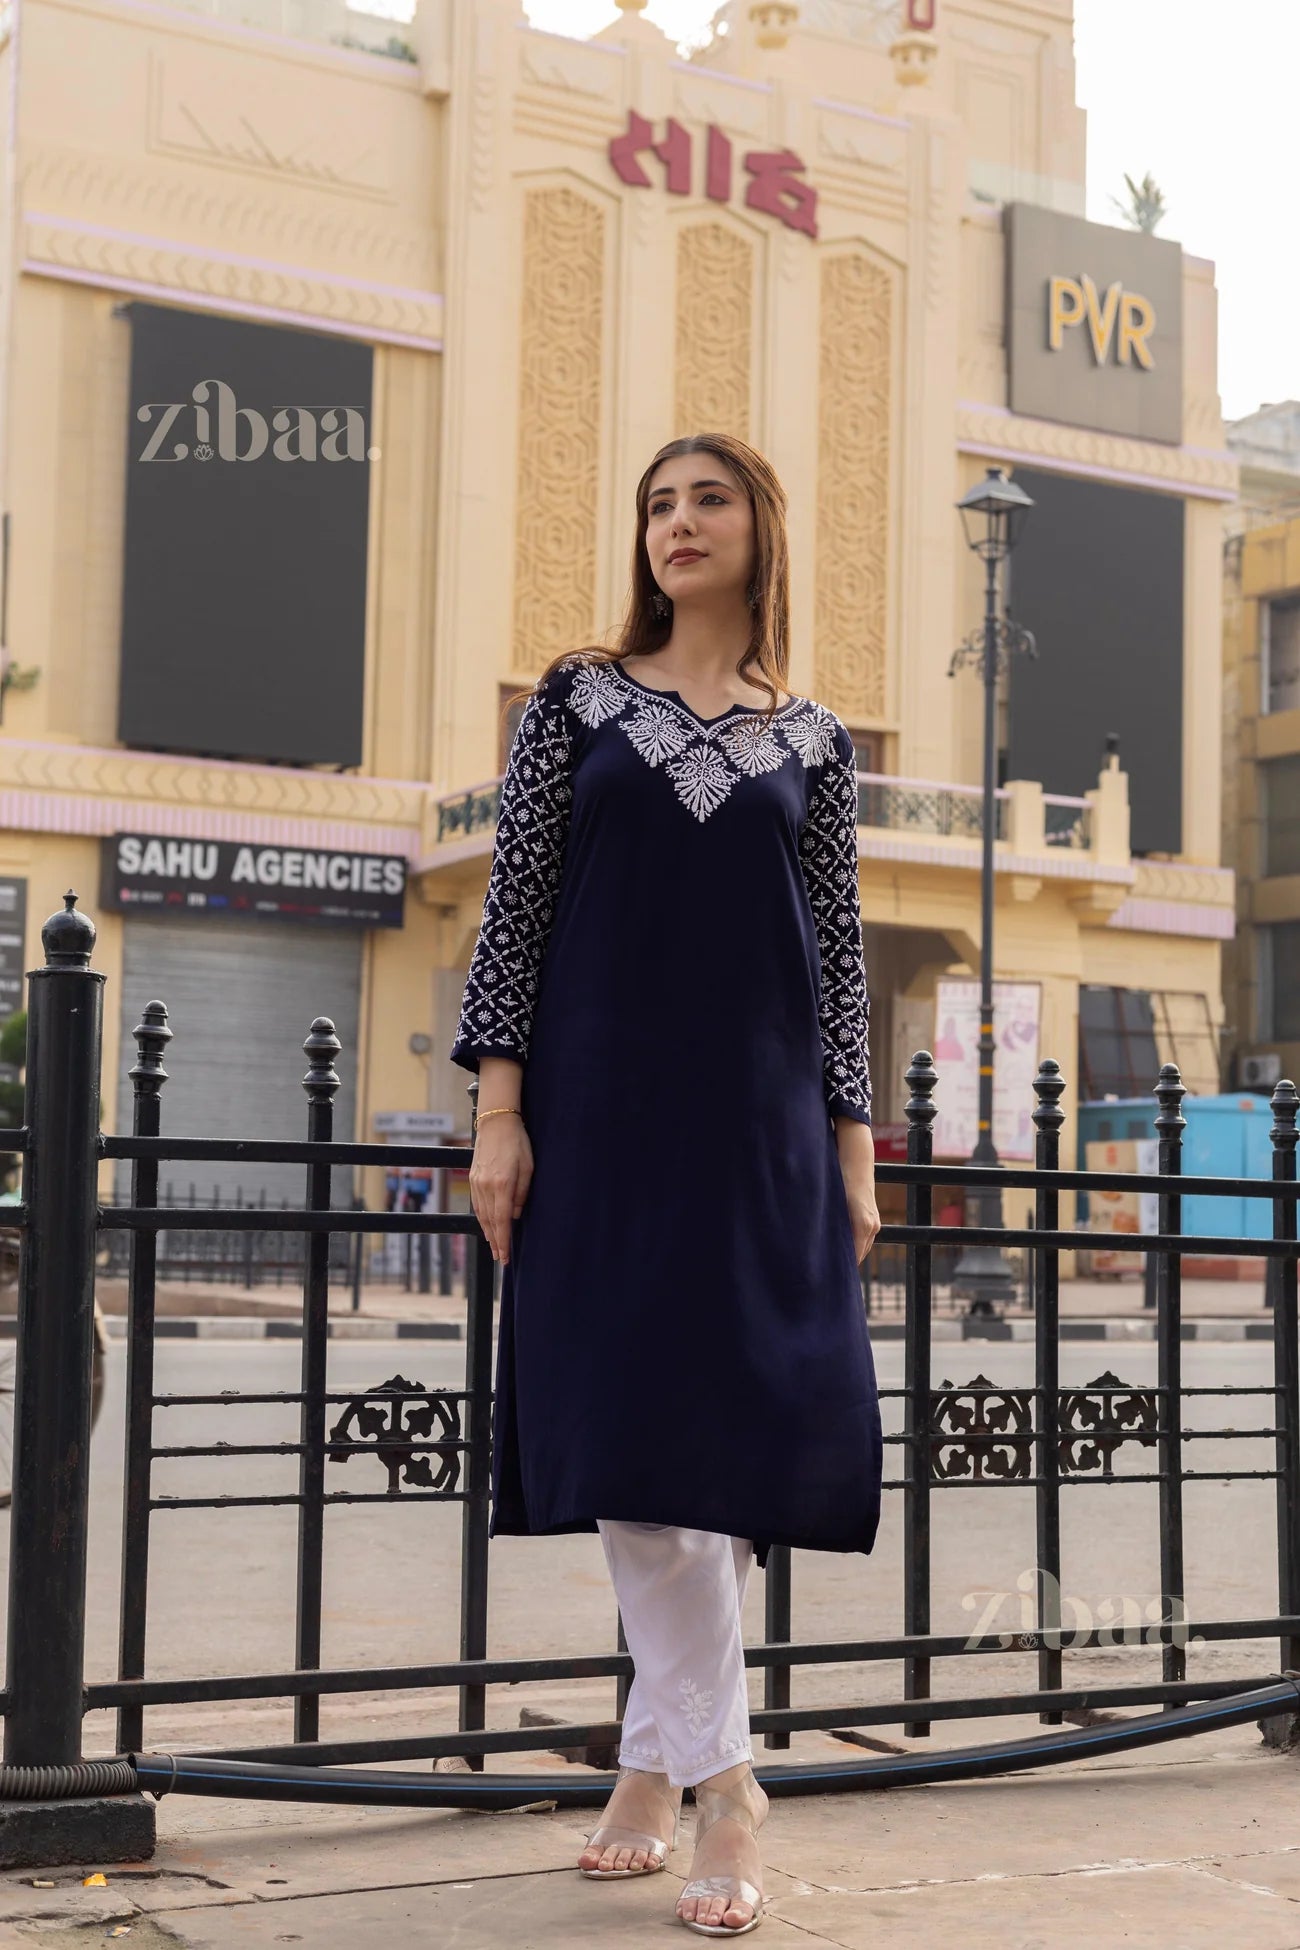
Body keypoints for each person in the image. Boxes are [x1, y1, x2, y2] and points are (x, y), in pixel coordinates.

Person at [451, 432, 882, 1937]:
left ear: (762, 528)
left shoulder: (819, 740)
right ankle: (729, 1781)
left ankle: (655, 1764)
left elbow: (836, 960)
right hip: (602, 1111)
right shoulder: (577, 698)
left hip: (758, 1123)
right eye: (655, 503)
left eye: (706, 500)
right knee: (634, 1437)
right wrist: (499, 1109)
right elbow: (514, 909)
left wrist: (853, 1148)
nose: (677, 524)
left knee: (713, 1443)